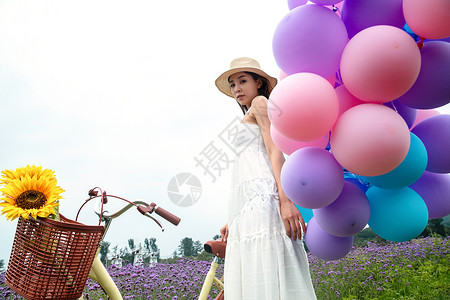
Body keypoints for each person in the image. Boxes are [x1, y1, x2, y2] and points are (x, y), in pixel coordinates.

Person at [215, 57, 317, 300]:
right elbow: (246, 165)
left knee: (268, 258)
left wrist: (286, 200)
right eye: (232, 84)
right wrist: (235, 216)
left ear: (258, 82)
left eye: (242, 81)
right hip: (249, 203)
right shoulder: (250, 112)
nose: (237, 88)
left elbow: (274, 151)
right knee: (255, 264)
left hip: (264, 196)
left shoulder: (261, 103)